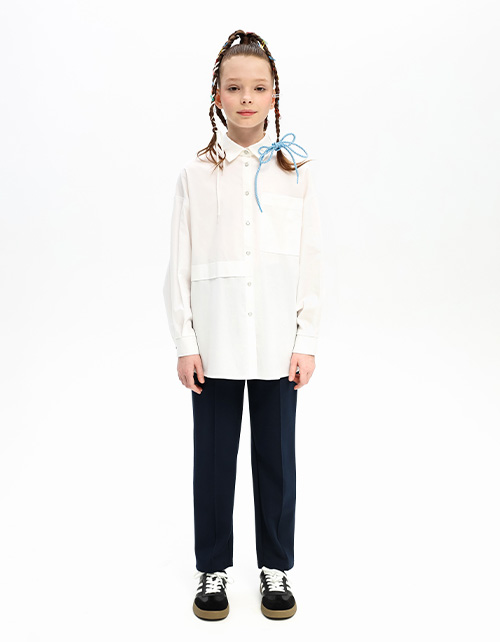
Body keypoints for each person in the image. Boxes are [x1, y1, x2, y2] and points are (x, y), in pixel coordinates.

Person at [163, 29, 323, 621]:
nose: (247, 98)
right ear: (218, 96)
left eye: (258, 88)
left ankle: (275, 567)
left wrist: (306, 339)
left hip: (278, 343)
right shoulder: (194, 175)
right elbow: (179, 263)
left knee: (277, 460)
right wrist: (186, 342)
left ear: (274, 95)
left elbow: (310, 258)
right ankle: (213, 569)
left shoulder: (297, 171)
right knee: (213, 460)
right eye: (235, 88)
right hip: (216, 341)